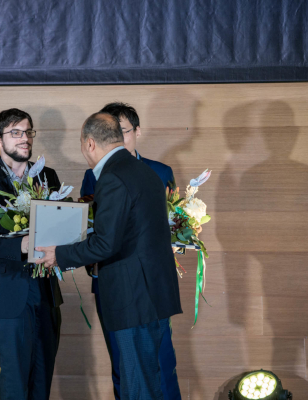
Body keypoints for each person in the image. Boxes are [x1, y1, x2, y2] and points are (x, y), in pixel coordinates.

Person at [36, 112, 182, 400]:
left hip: (133, 299)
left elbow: (105, 244)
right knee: (147, 383)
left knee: (137, 387)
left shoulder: (113, 176)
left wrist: (59, 254)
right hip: (151, 296)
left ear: (90, 143)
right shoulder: (146, 171)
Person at [80, 102, 180, 400]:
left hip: (132, 291)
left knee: (147, 370)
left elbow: (108, 241)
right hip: (124, 284)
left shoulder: (150, 172)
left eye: (123, 131)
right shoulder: (116, 174)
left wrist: (57, 255)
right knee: (131, 369)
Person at [0, 108, 63, 400]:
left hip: (45, 289)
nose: (25, 139)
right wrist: (21, 245)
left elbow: (58, 226)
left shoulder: (48, 175)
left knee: (43, 373)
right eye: (16, 133)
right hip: (6, 290)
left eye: (28, 132)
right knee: (15, 377)